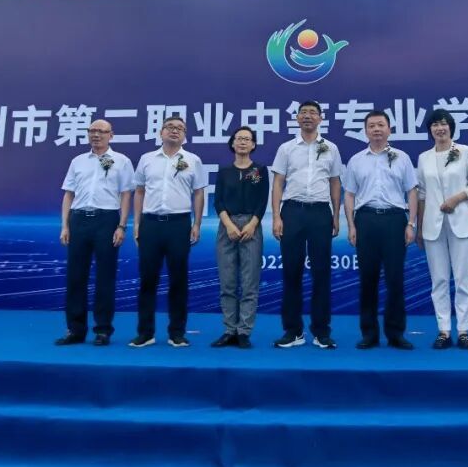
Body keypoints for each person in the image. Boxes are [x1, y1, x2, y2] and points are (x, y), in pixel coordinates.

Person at [343, 110, 419, 350]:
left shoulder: (402, 158)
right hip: (366, 220)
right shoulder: (356, 160)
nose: (376, 129)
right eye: (372, 126)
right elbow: (349, 194)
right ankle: (369, 334)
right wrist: (351, 225)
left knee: (395, 279)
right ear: (365, 131)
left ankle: (396, 333)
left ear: (389, 129)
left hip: (395, 220)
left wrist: (411, 223)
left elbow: (412, 191)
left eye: (381, 125)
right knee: (368, 279)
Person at [270, 101, 343, 349]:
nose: (308, 116)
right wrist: (276, 216)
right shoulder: (286, 148)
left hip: (321, 212)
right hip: (292, 211)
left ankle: (321, 331)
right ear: (297, 118)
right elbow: (278, 182)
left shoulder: (331, 148)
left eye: (313, 113)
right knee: (291, 272)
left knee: (321, 273)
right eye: (303, 113)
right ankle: (293, 331)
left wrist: (336, 215)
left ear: (321, 118)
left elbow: (335, 182)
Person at [129, 116, 206, 348]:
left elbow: (199, 193)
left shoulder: (193, 160)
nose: (175, 131)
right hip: (151, 224)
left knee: (178, 280)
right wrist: (137, 223)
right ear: (161, 132)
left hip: (179, 224)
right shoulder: (147, 159)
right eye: (170, 127)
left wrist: (196, 224)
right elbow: (139, 191)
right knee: (147, 279)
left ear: (185, 135)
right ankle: (145, 333)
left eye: (180, 128)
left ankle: (177, 332)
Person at [55, 120, 134, 346]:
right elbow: (68, 194)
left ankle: (103, 330)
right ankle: (75, 330)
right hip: (79, 219)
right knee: (75, 277)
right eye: (92, 131)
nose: (96, 135)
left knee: (105, 277)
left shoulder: (122, 161)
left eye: (101, 131)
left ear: (111, 135)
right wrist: (65, 225)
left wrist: (121, 226)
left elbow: (126, 195)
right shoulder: (78, 161)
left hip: (106, 220)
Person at [415, 109, 468, 350]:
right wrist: (419, 228)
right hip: (432, 227)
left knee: (463, 280)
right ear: (430, 130)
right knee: (439, 280)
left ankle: (463, 330)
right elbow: (422, 194)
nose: (439, 128)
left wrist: (457, 198)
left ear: (451, 127)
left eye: (443, 124)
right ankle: (443, 330)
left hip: (461, 222)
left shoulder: (465, 151)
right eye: (435, 124)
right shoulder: (424, 157)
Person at [212, 126, 268, 349]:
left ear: (253, 144)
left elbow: (262, 201)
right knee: (227, 282)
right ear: (232, 143)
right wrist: (229, 225)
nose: (243, 142)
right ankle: (229, 330)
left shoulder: (259, 170)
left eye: (247, 139)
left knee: (249, 283)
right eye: (239, 139)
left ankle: (244, 331)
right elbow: (218, 201)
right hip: (227, 225)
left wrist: (252, 224)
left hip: (251, 226)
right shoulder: (224, 171)